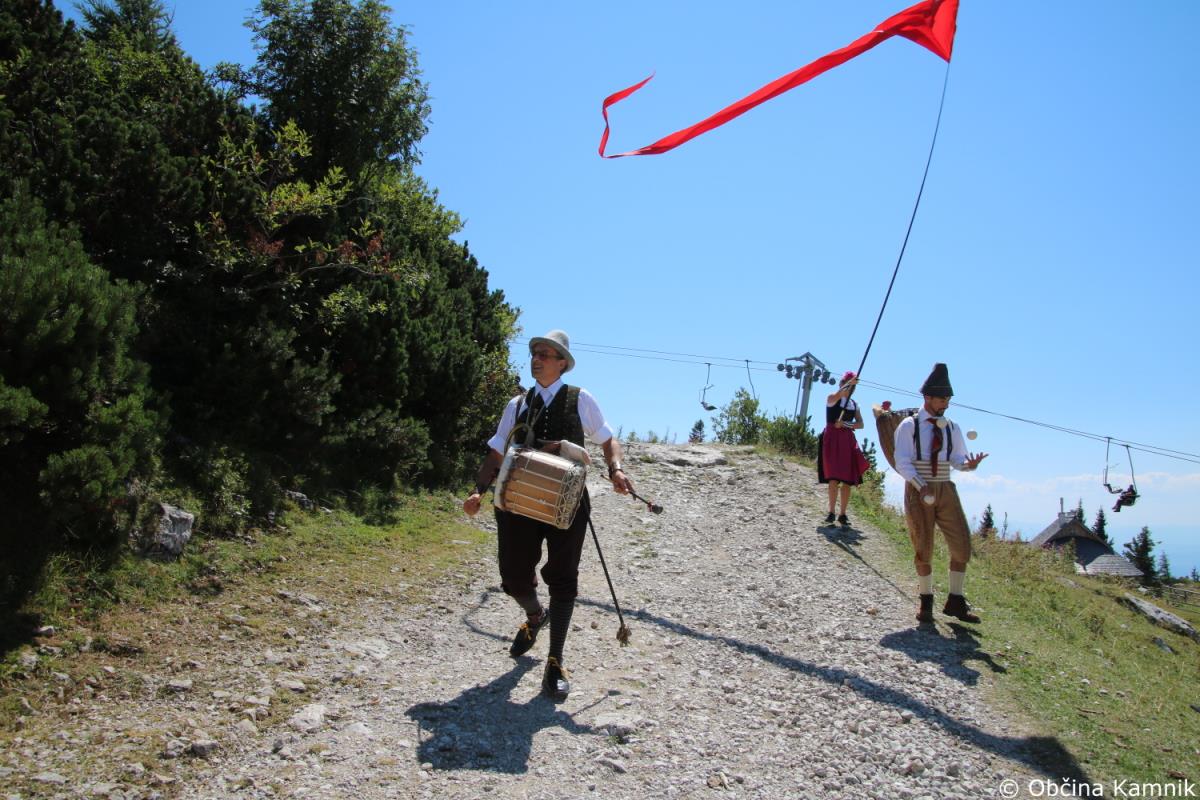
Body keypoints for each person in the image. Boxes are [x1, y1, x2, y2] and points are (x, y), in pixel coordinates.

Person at [463, 330, 634, 700]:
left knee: (563, 577)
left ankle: (555, 660)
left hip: (567, 502)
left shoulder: (580, 399)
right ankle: (535, 615)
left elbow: (607, 439)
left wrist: (616, 469)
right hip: (518, 501)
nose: (537, 359)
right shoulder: (516, 405)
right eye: (534, 353)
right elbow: (496, 453)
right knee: (513, 576)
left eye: (545, 354)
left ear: (562, 363)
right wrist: (479, 490)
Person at [893, 363, 988, 624]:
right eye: (942, 399)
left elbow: (957, 459)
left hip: (945, 487)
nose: (946, 404)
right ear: (928, 397)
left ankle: (955, 601)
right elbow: (902, 461)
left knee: (961, 544)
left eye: (948, 399)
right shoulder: (909, 426)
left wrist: (969, 465)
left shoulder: (952, 427)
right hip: (919, 488)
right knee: (923, 545)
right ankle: (926, 601)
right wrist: (919, 484)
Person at [816, 371, 869, 529]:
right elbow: (837, 396)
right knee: (833, 477)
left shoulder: (854, 404)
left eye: (851, 386)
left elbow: (860, 424)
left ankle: (843, 514)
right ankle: (831, 511)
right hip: (832, 439)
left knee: (847, 479)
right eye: (845, 384)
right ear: (841, 384)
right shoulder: (832, 398)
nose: (848, 388)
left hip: (846, 440)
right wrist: (847, 386)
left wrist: (845, 424)